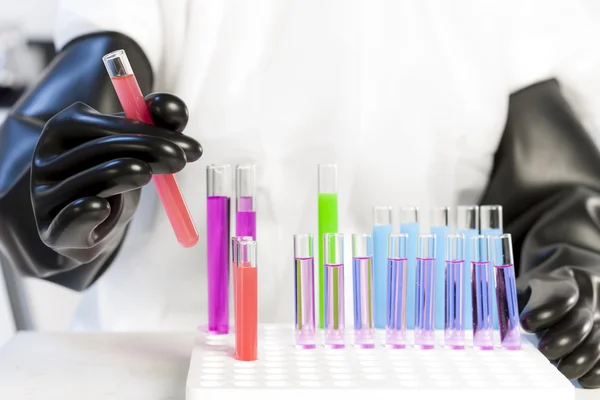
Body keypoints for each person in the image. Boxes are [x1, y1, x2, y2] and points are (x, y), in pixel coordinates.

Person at [0, 0, 599, 388]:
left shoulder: (501, 13)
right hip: (163, 367)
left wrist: (576, 277)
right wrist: (50, 190)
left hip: (412, 370)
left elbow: (557, 191)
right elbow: (50, 137)